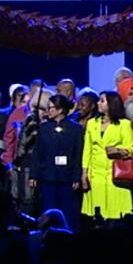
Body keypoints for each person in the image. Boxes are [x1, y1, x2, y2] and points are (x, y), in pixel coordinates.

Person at [30, 94, 84, 231]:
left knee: (69, 213)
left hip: (68, 178)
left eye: (51, 108)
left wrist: (77, 176)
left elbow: (78, 154)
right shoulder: (44, 128)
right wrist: (33, 175)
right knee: (48, 210)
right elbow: (37, 153)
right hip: (48, 177)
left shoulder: (75, 129)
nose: (48, 111)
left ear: (60, 110)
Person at [81, 91, 133, 220]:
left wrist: (118, 151)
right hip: (95, 176)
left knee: (115, 215)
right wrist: (84, 174)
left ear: (112, 104)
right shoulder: (92, 123)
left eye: (102, 101)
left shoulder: (124, 124)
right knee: (96, 216)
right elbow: (87, 150)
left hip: (115, 176)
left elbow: (131, 150)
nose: (98, 103)